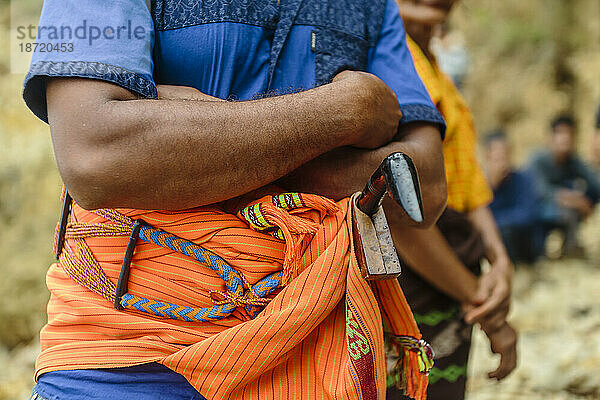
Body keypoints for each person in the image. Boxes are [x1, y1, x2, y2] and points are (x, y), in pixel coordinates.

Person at [22, 0, 448, 399]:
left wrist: (194, 140)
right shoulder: (355, 99)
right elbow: (97, 157)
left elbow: (423, 189)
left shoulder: (371, 5)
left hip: (314, 345)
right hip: (126, 353)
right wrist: (348, 110)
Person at [385, 1, 518, 399]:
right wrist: (485, 307)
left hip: (450, 266)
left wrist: (499, 260)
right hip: (419, 272)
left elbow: (469, 184)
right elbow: (399, 213)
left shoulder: (436, 69)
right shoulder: (391, 64)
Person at [529, 115, 600, 257]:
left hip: (562, 208)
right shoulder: (538, 160)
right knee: (567, 213)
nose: (565, 138)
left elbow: (595, 183)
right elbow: (541, 191)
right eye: (560, 133)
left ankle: (570, 250)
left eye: (569, 134)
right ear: (551, 136)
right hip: (537, 209)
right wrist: (575, 200)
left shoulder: (573, 161)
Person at [485, 130, 540, 264]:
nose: (503, 164)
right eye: (498, 158)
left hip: (524, 244)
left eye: (505, 157)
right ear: (487, 157)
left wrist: (493, 224)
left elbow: (528, 214)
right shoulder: (480, 186)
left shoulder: (523, 179)